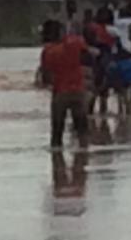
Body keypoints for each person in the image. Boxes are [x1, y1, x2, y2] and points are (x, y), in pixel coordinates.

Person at [39, 18, 93, 148]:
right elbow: (87, 58)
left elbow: (46, 78)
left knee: (57, 133)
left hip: (60, 93)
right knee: (82, 130)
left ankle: (57, 160)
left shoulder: (47, 52)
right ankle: (83, 158)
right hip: (78, 91)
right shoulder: (76, 42)